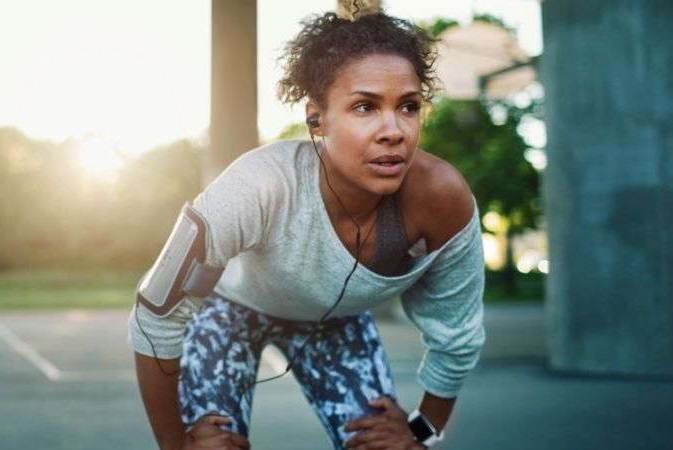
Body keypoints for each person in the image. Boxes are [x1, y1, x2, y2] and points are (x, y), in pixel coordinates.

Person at [129, 9, 485, 450]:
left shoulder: (440, 198)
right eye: (365, 107)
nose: (393, 131)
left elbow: (457, 331)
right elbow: (156, 312)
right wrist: (174, 443)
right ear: (317, 119)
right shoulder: (258, 185)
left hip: (333, 322)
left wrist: (421, 431)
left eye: (408, 107)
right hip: (228, 310)